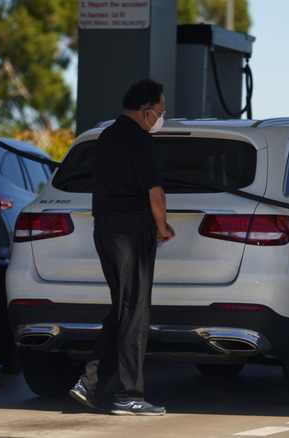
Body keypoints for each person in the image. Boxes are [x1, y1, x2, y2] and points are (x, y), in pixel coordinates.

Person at [69, 78, 175, 416]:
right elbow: (155, 194)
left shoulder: (106, 136)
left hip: (105, 230)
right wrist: (162, 228)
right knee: (136, 313)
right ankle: (128, 395)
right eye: (159, 112)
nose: (161, 117)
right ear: (145, 112)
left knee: (122, 310)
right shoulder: (140, 140)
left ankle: (89, 383)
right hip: (133, 231)